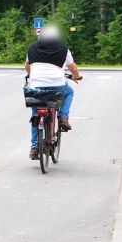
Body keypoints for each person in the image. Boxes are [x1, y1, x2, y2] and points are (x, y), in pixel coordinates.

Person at [24, 24, 81, 160]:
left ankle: (34, 148)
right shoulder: (63, 49)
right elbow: (72, 68)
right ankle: (62, 117)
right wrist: (77, 76)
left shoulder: (32, 47)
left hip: (35, 87)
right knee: (69, 92)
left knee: (35, 115)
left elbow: (27, 66)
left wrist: (33, 76)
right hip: (57, 86)